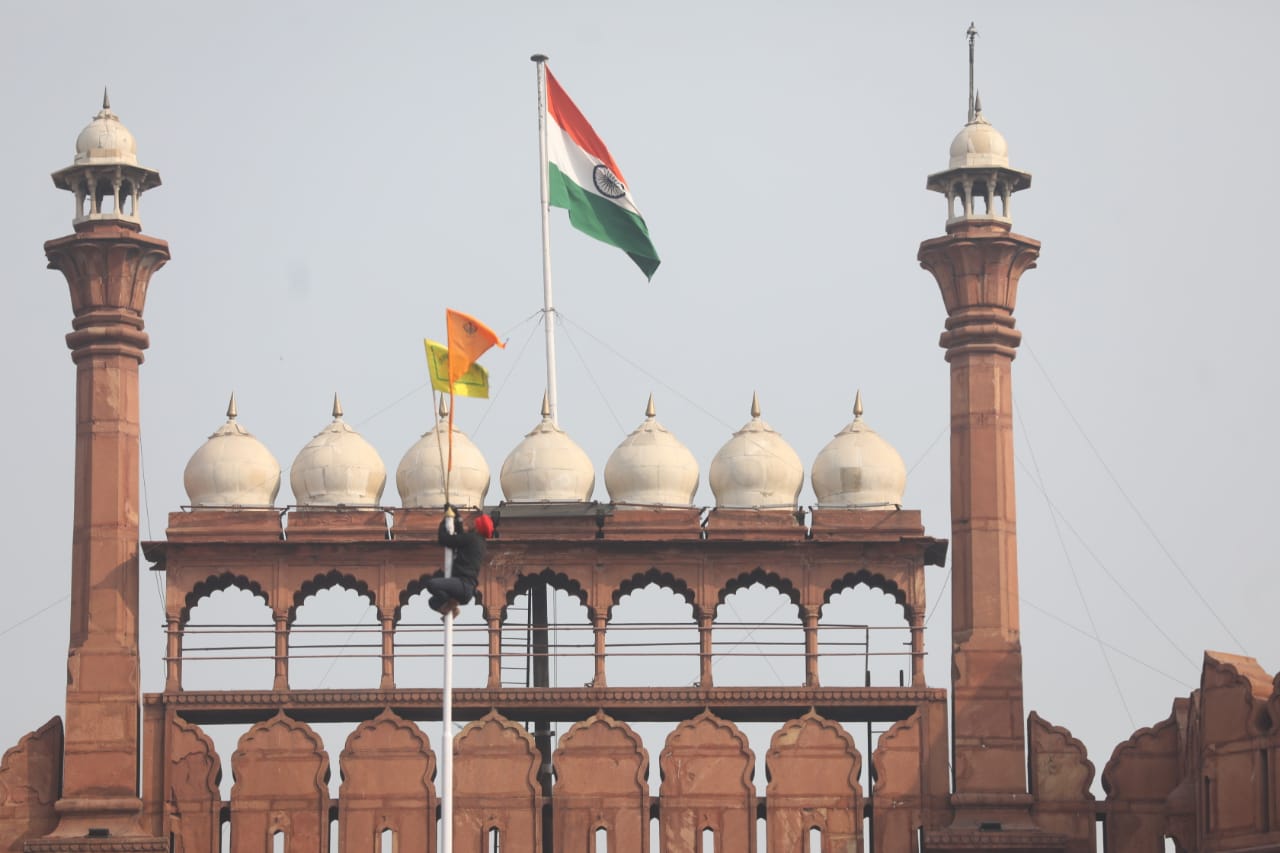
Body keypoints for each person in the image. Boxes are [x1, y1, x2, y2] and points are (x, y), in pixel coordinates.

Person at [427, 505, 494, 616]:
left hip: (462, 585)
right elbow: (461, 536)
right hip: (465, 588)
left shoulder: (473, 538)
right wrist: (457, 516)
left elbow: (445, 539)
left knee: (432, 584)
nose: (472, 524)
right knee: (433, 602)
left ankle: (451, 604)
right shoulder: (479, 542)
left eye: (475, 523)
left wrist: (445, 520)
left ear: (478, 528)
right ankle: (450, 606)